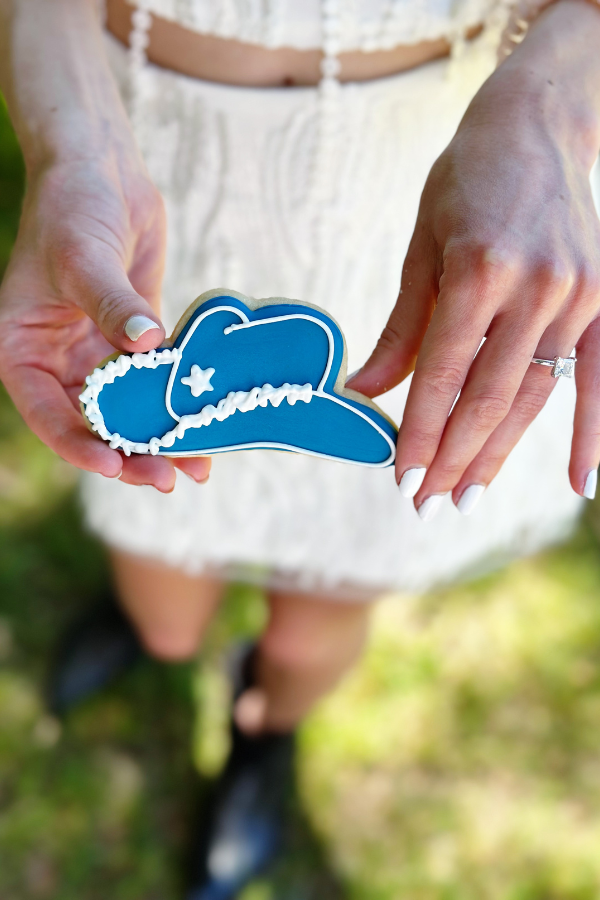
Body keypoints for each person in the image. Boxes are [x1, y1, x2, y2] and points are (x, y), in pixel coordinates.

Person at [1, 0, 600, 896]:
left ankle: (265, 730)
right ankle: (155, 632)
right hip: (154, 187)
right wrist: (73, 145)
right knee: (164, 601)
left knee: (318, 622)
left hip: (456, 203)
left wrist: (553, 104)